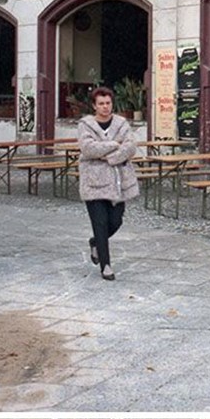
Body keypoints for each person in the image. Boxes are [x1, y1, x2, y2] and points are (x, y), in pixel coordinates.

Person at [77, 86, 140, 281]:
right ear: (94, 106)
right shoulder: (85, 125)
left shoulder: (122, 124)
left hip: (118, 181)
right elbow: (88, 148)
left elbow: (130, 147)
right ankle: (106, 265)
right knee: (100, 222)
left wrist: (107, 157)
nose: (105, 107)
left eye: (108, 103)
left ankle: (96, 242)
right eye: (101, 104)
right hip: (94, 182)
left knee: (116, 220)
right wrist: (114, 146)